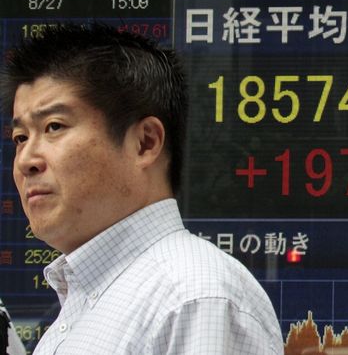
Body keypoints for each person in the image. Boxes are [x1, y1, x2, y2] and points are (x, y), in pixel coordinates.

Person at [0, 23, 284, 354]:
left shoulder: (195, 297)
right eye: (21, 138)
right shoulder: (86, 306)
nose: (26, 161)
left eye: (54, 127)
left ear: (145, 142)